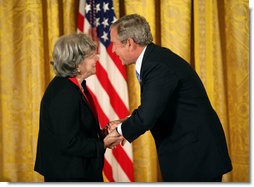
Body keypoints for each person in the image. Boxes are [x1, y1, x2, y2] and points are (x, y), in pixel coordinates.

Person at [108, 14, 233, 182]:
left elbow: (147, 117)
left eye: (114, 44)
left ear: (129, 43)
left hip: (195, 156)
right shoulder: (155, 59)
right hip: (191, 152)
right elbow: (158, 106)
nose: (113, 50)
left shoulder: (157, 65)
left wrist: (117, 132)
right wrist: (126, 123)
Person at [34, 33, 123, 182]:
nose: (97, 58)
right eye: (91, 56)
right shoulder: (64, 93)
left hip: (79, 171)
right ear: (76, 63)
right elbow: (68, 142)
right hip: (68, 176)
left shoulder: (75, 86)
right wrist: (103, 144)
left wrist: (104, 133)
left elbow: (78, 131)